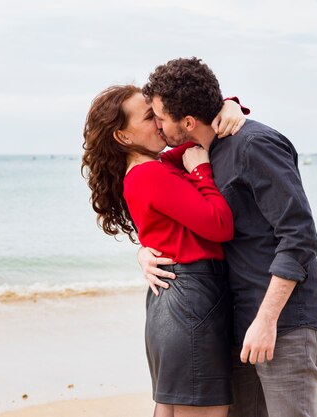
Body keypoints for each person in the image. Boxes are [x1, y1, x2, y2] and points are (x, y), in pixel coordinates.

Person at [138, 57, 317, 417]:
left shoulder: (255, 144)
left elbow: (300, 237)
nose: (158, 126)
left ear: (188, 122)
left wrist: (266, 319)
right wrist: (144, 253)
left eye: (160, 117)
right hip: (237, 324)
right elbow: (173, 217)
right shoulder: (201, 155)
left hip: (283, 323)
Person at [82, 85, 250, 417]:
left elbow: (194, 133)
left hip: (177, 303)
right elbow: (220, 226)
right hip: (192, 302)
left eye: (158, 111)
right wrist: (202, 173)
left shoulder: (156, 165)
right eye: (149, 116)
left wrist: (228, 104)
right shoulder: (150, 173)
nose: (160, 120)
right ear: (124, 137)